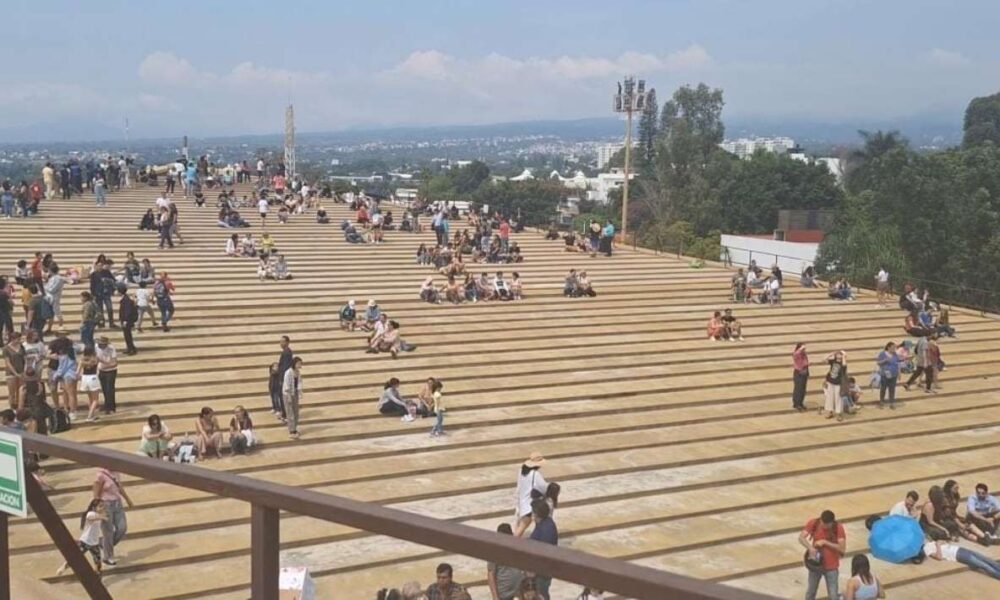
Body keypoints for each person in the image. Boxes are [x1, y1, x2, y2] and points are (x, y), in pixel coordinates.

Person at [798, 509, 846, 600]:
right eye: (823, 523)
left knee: (833, 595)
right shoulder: (814, 523)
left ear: (832, 523)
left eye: (827, 525)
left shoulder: (838, 528)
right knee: (811, 592)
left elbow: (842, 548)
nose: (824, 526)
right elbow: (801, 538)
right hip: (816, 565)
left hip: (831, 567)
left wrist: (825, 542)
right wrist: (810, 548)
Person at [92, 467, 133, 566]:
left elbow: (119, 486)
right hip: (106, 504)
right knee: (108, 531)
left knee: (122, 528)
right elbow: (96, 492)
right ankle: (108, 557)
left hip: (117, 503)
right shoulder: (100, 475)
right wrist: (98, 506)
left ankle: (104, 544)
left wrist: (127, 499)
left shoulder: (116, 472)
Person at [56, 499, 108, 576]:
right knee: (76, 556)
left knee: (97, 561)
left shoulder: (100, 515)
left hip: (94, 543)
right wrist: (101, 517)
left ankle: (97, 574)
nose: (103, 508)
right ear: (94, 507)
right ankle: (64, 567)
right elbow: (90, 517)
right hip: (85, 541)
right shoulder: (91, 513)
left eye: (103, 506)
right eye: (100, 506)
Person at [923, 538, 1000, 580]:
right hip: (957, 555)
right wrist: (938, 545)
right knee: (983, 565)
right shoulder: (927, 549)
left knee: (986, 559)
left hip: (959, 549)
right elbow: (939, 557)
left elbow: (946, 542)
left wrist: (942, 541)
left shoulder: (932, 541)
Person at [529, 499, 559, 598]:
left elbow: (543, 555)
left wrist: (534, 571)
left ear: (537, 513)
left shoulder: (547, 530)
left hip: (541, 572)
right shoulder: (543, 523)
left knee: (541, 594)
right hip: (538, 570)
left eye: (533, 511)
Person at [487, 523, 525, 600]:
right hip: (504, 595)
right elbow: (491, 575)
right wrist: (495, 597)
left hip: (519, 592)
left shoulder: (517, 548)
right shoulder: (494, 552)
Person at [514, 453, 548, 537]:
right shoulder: (535, 474)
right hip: (528, 505)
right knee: (521, 528)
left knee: (519, 526)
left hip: (520, 501)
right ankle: (510, 545)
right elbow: (543, 488)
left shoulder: (521, 471)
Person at [77, 347, 102, 422]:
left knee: (90, 398)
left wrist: (79, 378)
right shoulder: (95, 359)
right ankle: (90, 416)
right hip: (93, 378)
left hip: (84, 378)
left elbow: (77, 372)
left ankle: (92, 415)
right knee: (95, 399)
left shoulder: (82, 360)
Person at [95, 336, 118, 414]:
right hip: (101, 371)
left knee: (109, 389)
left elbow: (115, 362)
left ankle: (111, 406)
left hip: (111, 371)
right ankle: (107, 404)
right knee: (104, 389)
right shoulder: (96, 347)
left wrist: (106, 364)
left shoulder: (111, 348)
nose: (100, 346)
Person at [821, 351, 847, 421]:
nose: (838, 355)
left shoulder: (842, 363)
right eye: (838, 354)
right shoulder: (833, 361)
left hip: (838, 383)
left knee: (838, 399)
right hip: (830, 382)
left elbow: (844, 366)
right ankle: (830, 411)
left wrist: (844, 356)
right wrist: (830, 354)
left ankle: (838, 414)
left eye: (840, 354)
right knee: (829, 398)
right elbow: (823, 360)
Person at [283, 357, 303, 439]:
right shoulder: (288, 372)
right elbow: (286, 384)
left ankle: (294, 427)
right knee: (290, 412)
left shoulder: (298, 372)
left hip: (295, 393)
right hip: (288, 394)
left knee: (296, 412)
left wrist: (299, 392)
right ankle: (292, 430)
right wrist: (288, 396)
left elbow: (299, 383)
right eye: (298, 363)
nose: (300, 365)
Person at [119, 290, 138, 355]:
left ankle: (131, 349)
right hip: (126, 320)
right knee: (127, 335)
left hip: (127, 321)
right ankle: (130, 348)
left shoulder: (126, 299)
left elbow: (127, 311)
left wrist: (125, 320)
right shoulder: (125, 298)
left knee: (128, 335)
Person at [792, 342, 810, 411]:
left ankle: (800, 403)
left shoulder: (804, 354)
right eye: (803, 348)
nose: (804, 350)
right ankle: (796, 403)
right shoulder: (797, 354)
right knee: (798, 389)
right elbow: (795, 354)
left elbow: (805, 362)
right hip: (798, 373)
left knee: (803, 389)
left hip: (804, 372)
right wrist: (800, 349)